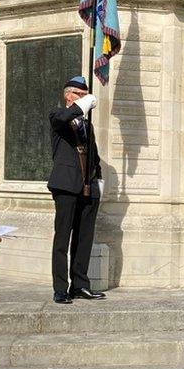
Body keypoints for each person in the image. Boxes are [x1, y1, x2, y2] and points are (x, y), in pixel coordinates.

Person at [48, 75, 105, 304]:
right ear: (69, 96)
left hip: (87, 187)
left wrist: (98, 180)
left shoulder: (86, 125)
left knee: (84, 239)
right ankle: (60, 288)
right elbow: (64, 117)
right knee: (62, 239)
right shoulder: (58, 117)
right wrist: (82, 105)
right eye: (81, 96)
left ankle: (80, 285)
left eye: (87, 96)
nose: (86, 100)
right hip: (66, 185)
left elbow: (93, 155)